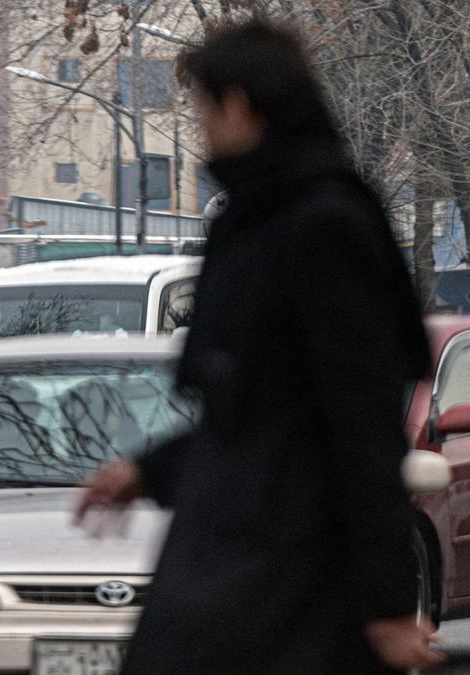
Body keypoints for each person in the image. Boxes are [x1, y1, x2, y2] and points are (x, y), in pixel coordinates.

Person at [76, 20, 441, 673]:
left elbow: (361, 424)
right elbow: (254, 409)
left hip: (289, 575)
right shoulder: (261, 215)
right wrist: (147, 471)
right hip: (242, 562)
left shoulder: (322, 223)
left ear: (239, 104)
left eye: (202, 109)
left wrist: (386, 604)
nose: (201, 129)